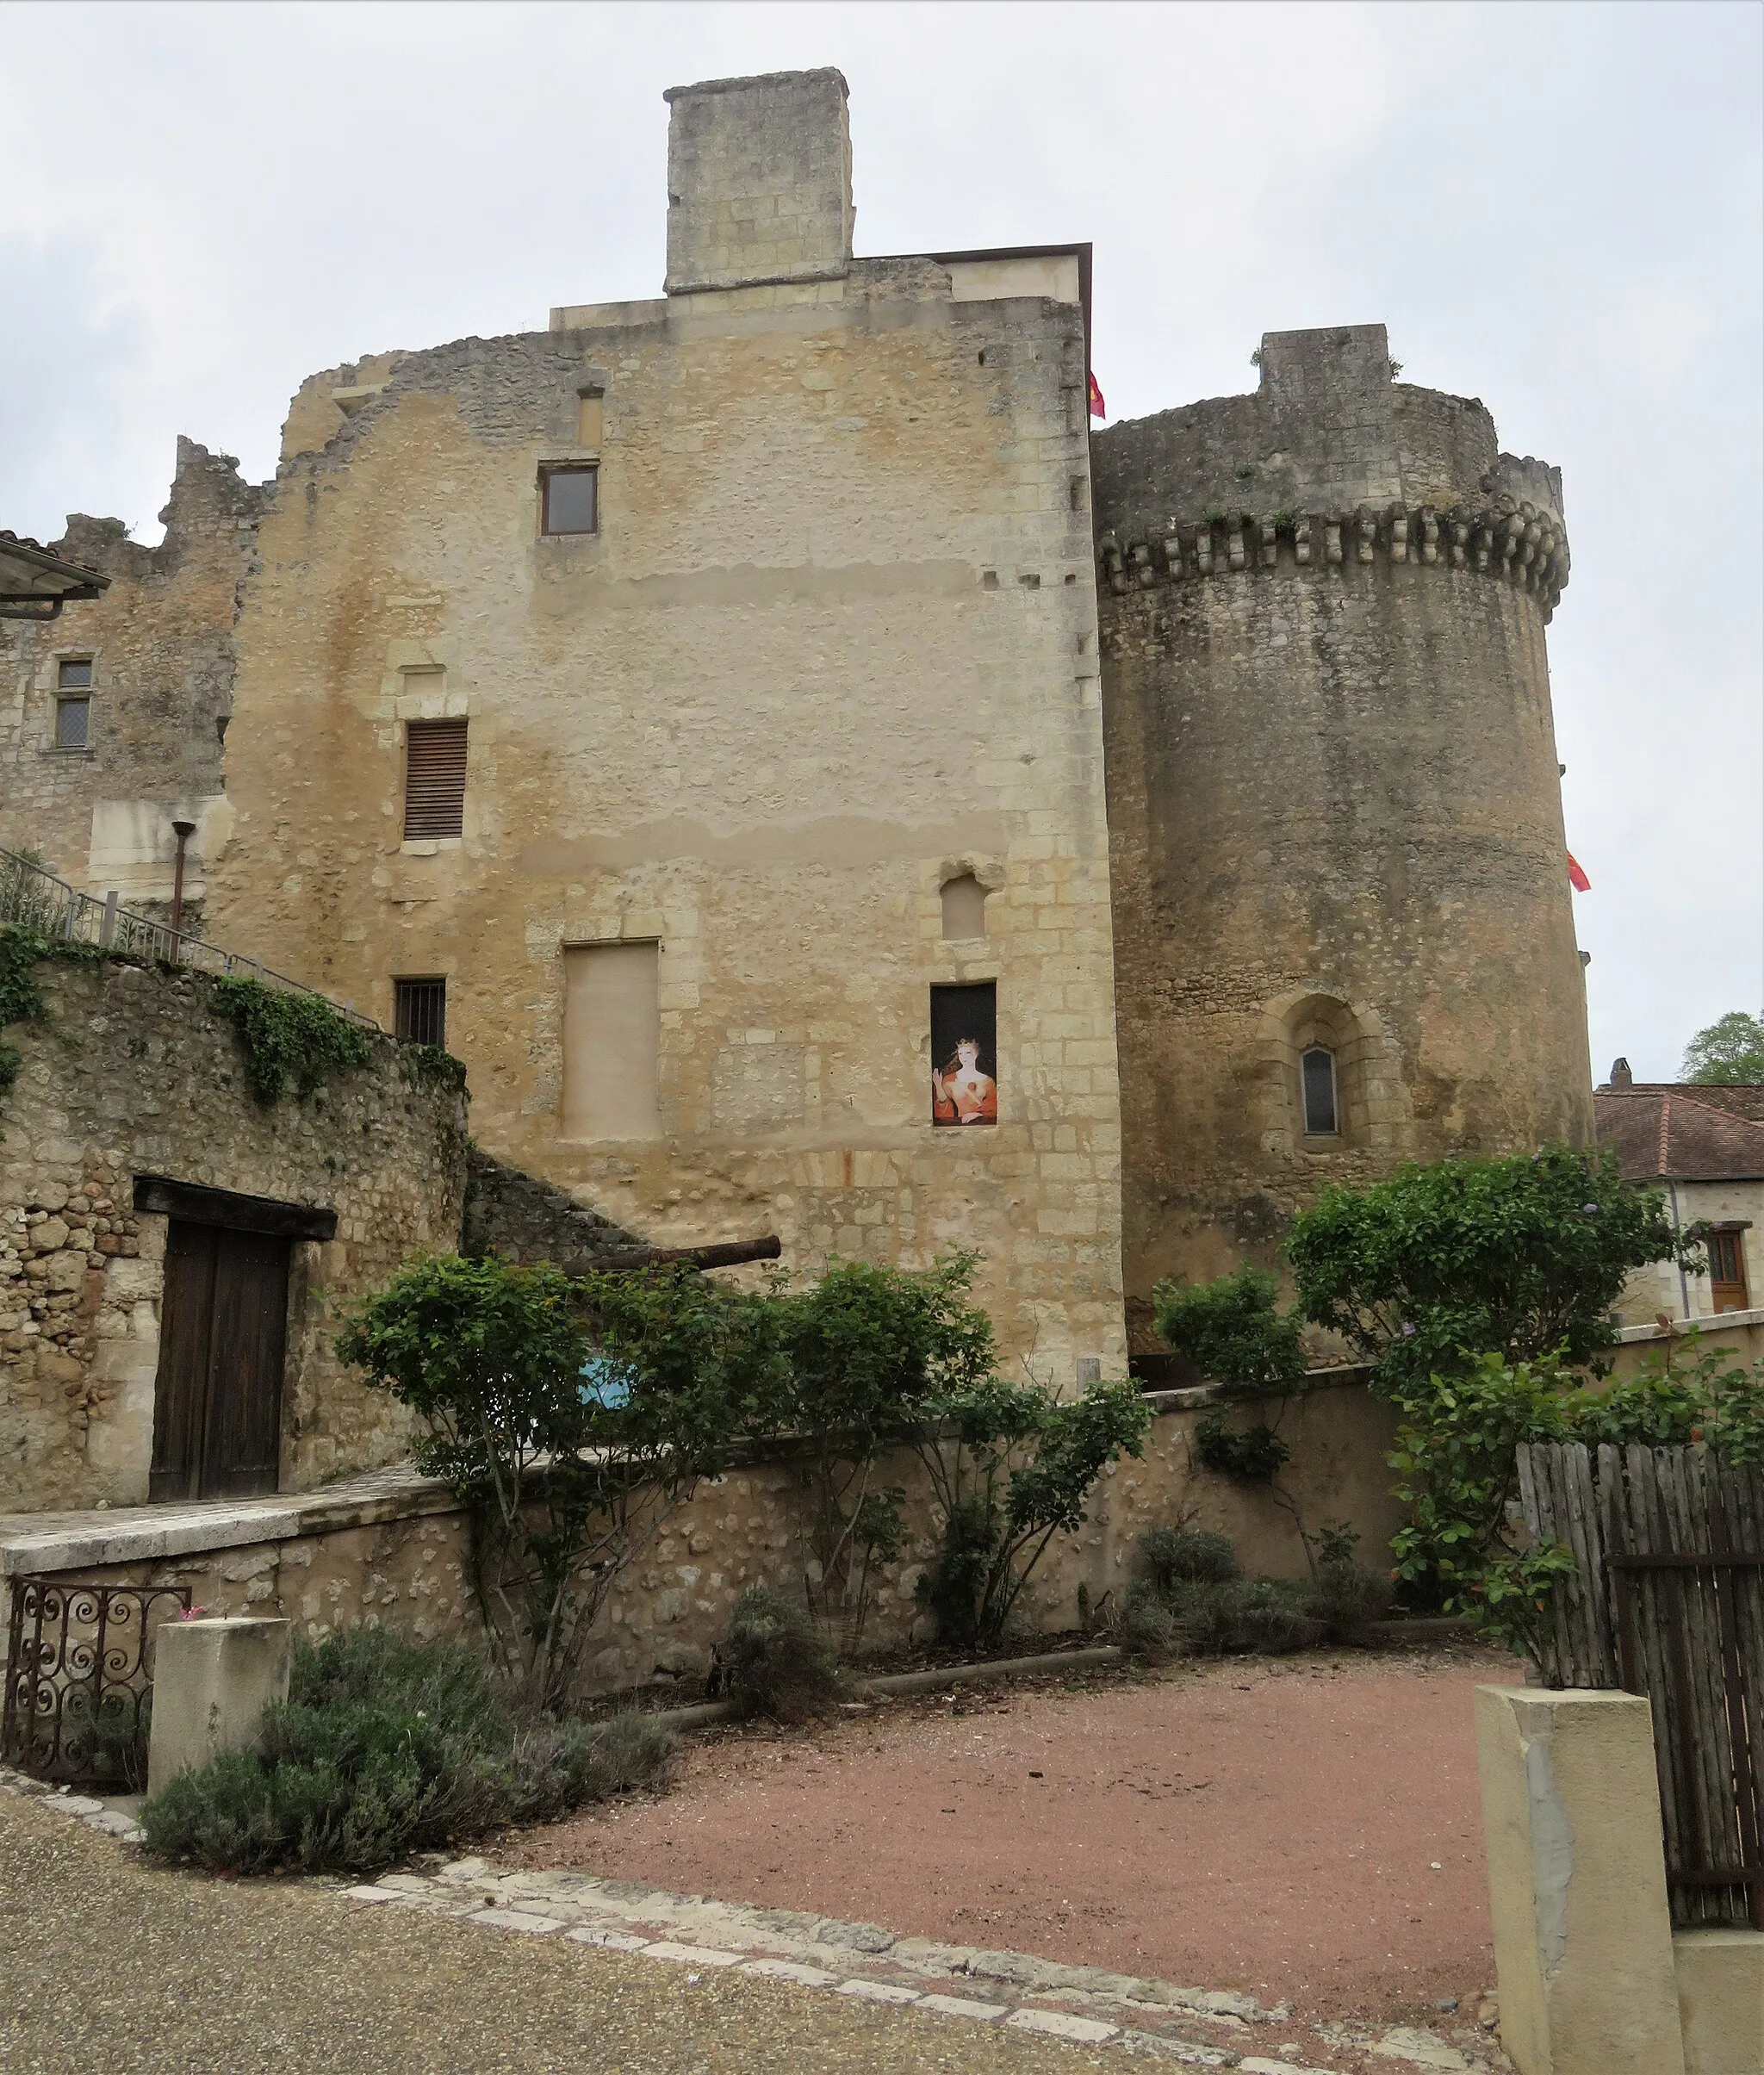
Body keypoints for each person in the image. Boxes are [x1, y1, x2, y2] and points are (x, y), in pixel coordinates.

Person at [932, 1036, 997, 1124]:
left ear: (976, 1054)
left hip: (982, 1125)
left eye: (968, 1053)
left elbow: (993, 1106)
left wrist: (977, 1114)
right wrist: (938, 1086)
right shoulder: (950, 1079)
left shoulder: (988, 1081)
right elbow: (944, 1105)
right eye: (960, 1054)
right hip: (960, 1124)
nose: (964, 1057)